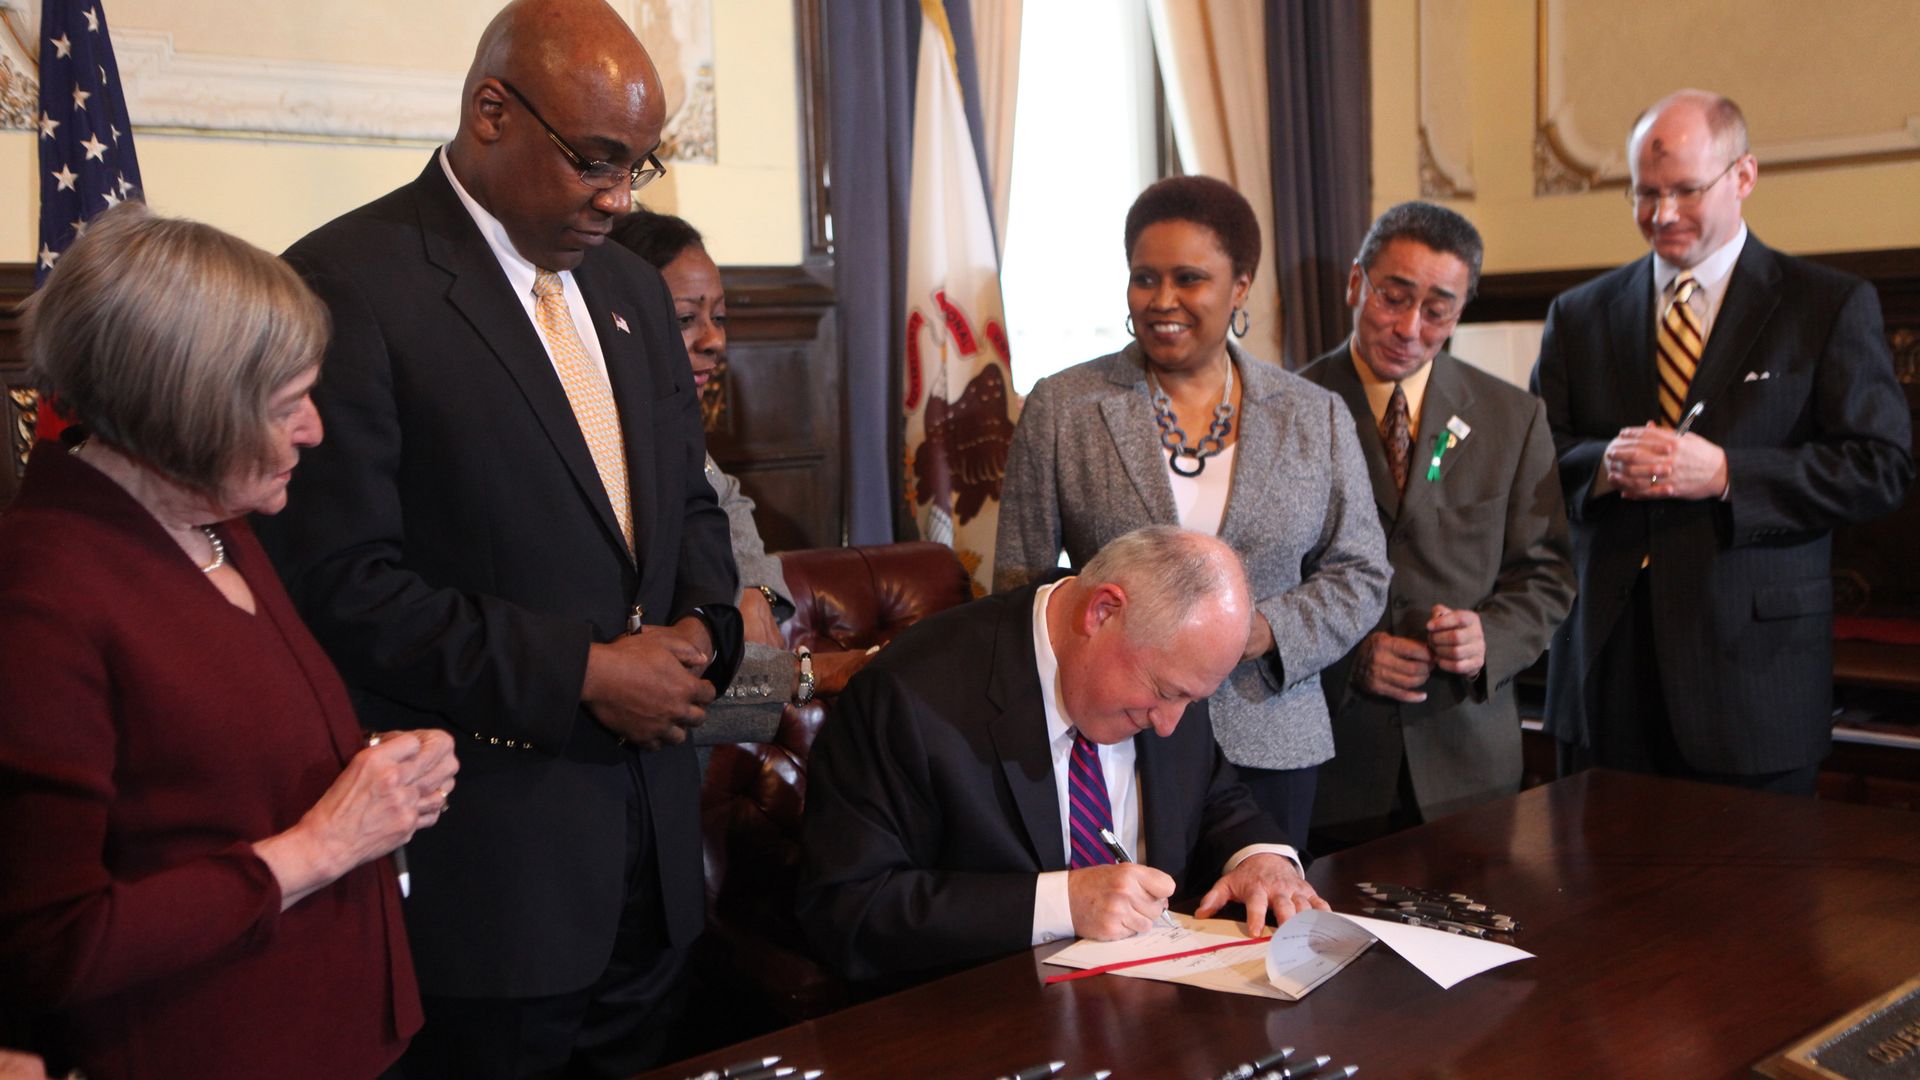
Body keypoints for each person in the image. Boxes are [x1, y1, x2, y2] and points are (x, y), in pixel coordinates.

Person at [252, 1, 744, 1075]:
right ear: (491, 111)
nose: (619, 200)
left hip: (652, 866)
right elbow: (339, 583)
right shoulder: (349, 284)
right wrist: (581, 671)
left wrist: (709, 633)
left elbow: (685, 501)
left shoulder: (626, 289)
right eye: (595, 163)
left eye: (638, 169)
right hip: (491, 880)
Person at [0, 203, 458, 1079]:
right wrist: (323, 844)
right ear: (187, 414)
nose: (315, 430)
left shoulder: (218, 520)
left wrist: (371, 772)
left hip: (335, 1030)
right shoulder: (44, 596)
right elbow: (55, 943)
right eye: (288, 405)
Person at [1530, 89, 1914, 794]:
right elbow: (1532, 461)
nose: (1662, 214)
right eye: (1645, 193)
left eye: (1685, 190)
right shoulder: (1578, 314)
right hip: (1604, 678)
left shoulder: (1824, 305)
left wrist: (1730, 473)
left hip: (1753, 685)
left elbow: (1881, 468)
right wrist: (1604, 467)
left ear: (1743, 177)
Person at [994, 175, 1389, 842]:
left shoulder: (1312, 414)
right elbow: (1018, 580)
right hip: (1114, 743)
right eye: (1144, 278)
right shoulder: (1063, 407)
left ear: (1241, 286)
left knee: (1260, 934)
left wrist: (1258, 631)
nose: (1162, 301)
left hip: (1270, 739)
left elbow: (1362, 572)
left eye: (1189, 278)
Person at [799, 526, 1328, 982]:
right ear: (1103, 611)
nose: (1171, 726)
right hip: (982, 1020)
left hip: (1159, 1001)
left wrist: (1261, 858)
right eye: (1167, 695)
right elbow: (847, 910)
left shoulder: (1172, 670)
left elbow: (1215, 798)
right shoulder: (910, 696)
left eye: (1192, 701)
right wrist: (1063, 903)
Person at [1299, 203, 1575, 849]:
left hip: (1468, 760)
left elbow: (1548, 571)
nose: (1408, 328)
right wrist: (1350, 657)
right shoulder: (1289, 409)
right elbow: (1259, 580)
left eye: (1437, 310)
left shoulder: (1513, 418)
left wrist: (1491, 637)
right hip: (1334, 761)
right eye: (1392, 298)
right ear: (1355, 283)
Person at [608, 208, 872, 743]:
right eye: (686, 319)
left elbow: (727, 498)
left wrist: (752, 584)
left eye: (720, 317)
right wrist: (811, 674)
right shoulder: (601, 443)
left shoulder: (670, 430)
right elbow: (655, 684)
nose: (715, 341)